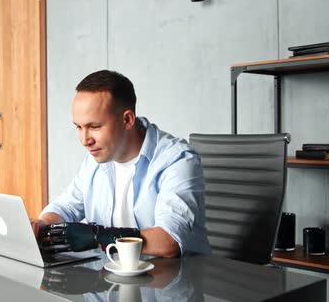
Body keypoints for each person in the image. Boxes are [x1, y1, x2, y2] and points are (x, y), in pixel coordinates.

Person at [34, 70, 210, 258]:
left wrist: (98, 237)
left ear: (127, 120)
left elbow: (168, 241)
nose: (85, 140)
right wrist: (41, 225)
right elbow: (67, 206)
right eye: (79, 127)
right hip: (113, 278)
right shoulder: (97, 157)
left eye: (94, 127)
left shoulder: (177, 160)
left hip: (174, 280)